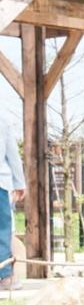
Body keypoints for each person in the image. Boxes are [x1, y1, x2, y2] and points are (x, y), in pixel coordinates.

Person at [0, 118, 25, 294]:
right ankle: (5, 276)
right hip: (1, 182)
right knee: (2, 230)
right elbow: (12, 154)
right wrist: (19, 182)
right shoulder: (3, 121)